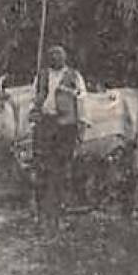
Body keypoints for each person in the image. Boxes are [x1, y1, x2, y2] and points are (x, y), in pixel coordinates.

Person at [30, 45, 85, 220]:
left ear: (65, 58)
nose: (55, 58)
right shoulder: (42, 75)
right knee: (42, 165)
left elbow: (82, 98)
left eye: (59, 55)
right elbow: (34, 95)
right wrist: (35, 110)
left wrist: (81, 122)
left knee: (62, 165)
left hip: (66, 125)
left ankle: (62, 205)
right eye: (52, 55)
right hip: (46, 123)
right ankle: (43, 207)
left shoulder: (74, 76)